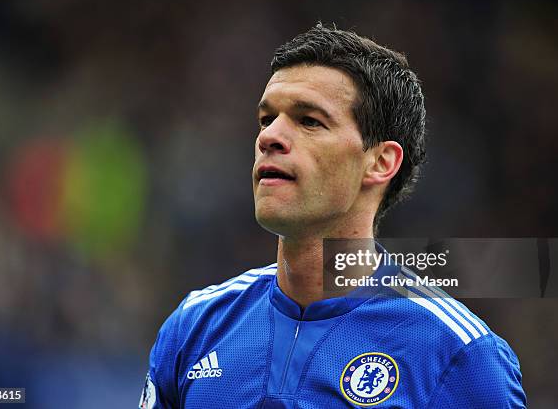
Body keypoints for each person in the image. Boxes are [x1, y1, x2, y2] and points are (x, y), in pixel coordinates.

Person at [139, 23, 526, 408]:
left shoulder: (457, 355)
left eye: (309, 121)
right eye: (266, 119)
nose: (268, 137)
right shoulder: (194, 328)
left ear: (380, 162)